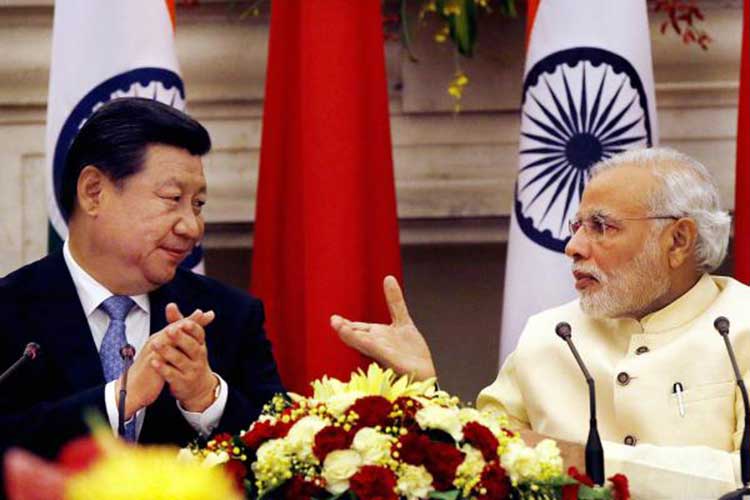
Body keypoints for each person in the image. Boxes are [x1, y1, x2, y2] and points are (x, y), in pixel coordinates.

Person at [332, 147, 750, 498]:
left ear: (678, 240)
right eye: (577, 226)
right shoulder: (550, 333)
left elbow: (743, 478)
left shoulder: (741, 324)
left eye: (601, 226)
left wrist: (581, 460)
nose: (573, 247)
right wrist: (426, 387)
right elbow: (484, 461)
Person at [0, 98, 283, 461]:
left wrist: (207, 398)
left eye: (197, 204)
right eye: (172, 198)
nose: (192, 227)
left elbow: (288, 455)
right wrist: (119, 398)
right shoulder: (9, 311)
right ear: (93, 192)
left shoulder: (229, 315)